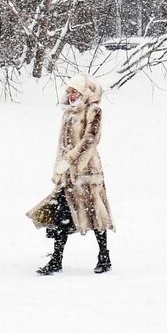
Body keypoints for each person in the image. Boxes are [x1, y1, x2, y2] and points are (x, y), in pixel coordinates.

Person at [28, 74, 115, 274]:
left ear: (83, 92)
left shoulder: (93, 111)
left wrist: (71, 160)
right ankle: (56, 260)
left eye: (74, 91)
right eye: (69, 91)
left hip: (88, 174)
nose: (71, 94)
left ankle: (104, 256)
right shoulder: (68, 113)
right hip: (68, 176)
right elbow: (62, 146)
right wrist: (59, 169)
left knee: (96, 215)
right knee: (61, 216)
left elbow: (91, 140)